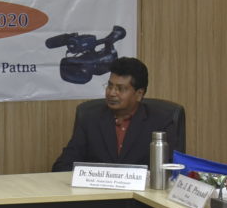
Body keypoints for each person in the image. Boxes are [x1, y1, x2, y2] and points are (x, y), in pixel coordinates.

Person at [52, 57, 183, 171]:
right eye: (110, 86)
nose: (111, 93)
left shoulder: (161, 121)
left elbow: (171, 168)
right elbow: (63, 165)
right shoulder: (90, 118)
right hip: (98, 191)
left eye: (120, 89)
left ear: (139, 94)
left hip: (141, 192)